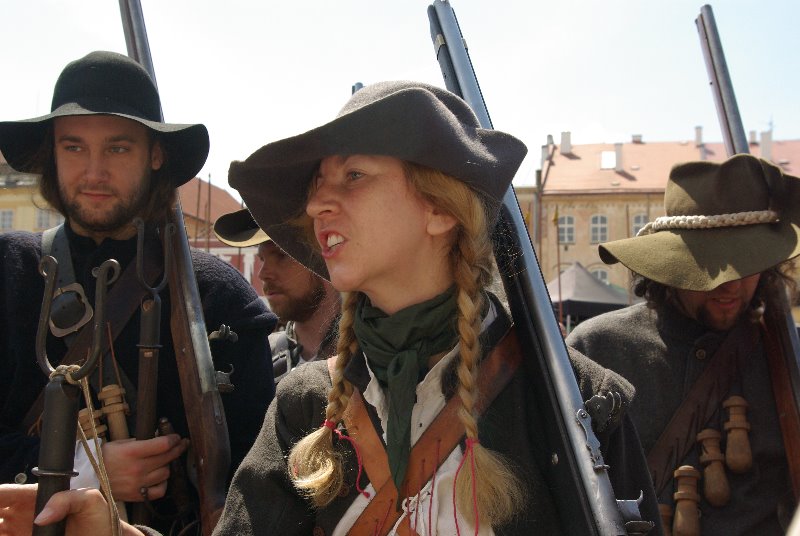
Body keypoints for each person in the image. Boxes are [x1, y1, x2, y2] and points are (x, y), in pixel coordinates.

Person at [2, 81, 660, 535]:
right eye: (318, 184)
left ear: (439, 209)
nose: (318, 203)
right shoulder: (304, 405)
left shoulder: (575, 400)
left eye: (353, 177)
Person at [0, 51, 275, 534]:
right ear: (52, 153)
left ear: (155, 155)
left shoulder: (220, 298)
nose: (94, 172)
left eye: (118, 148)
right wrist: (86, 469)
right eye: (74, 147)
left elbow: (259, 486)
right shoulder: (9, 271)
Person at [566, 154, 799, 535]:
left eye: (747, 264)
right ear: (672, 267)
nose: (731, 285)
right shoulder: (594, 348)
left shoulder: (789, 355)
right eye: (711, 268)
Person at [214, 209, 340, 382]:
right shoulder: (259, 358)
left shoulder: (367, 355)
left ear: (323, 259)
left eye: (282, 255)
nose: (263, 274)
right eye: (262, 259)